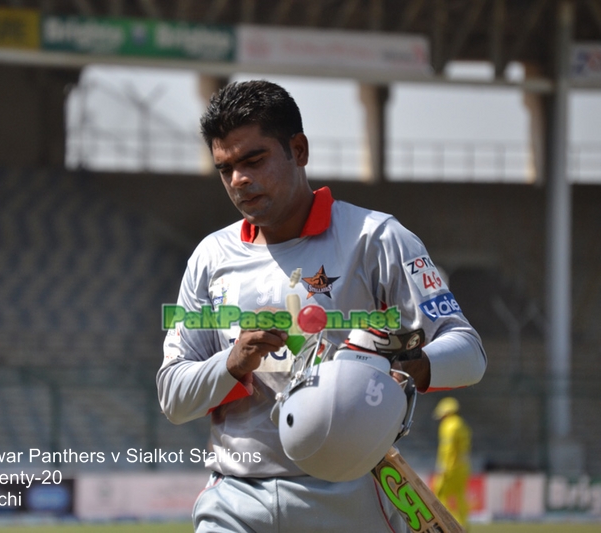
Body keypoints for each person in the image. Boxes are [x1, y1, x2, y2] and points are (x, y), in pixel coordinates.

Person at [157, 80, 486, 532]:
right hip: (234, 502)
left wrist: (406, 366)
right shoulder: (210, 257)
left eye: (254, 160)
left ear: (299, 149)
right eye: (225, 168)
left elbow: (469, 351)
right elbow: (173, 397)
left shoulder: (377, 238)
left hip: (351, 500)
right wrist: (231, 363)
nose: (239, 180)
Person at [432, 397, 472, 527]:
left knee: (439, 494)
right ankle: (463, 524)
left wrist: (442, 466)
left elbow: (447, 449)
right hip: (463, 467)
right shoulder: (462, 424)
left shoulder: (449, 425)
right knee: (460, 495)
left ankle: (449, 523)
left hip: (450, 467)